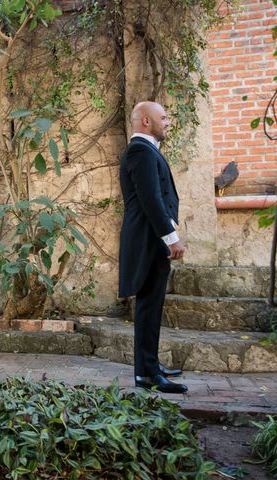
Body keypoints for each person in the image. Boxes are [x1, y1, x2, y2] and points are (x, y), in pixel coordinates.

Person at [118, 101, 188, 394]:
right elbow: (151, 200)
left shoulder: (147, 151)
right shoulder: (139, 151)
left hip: (151, 239)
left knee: (152, 306)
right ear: (146, 121)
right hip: (148, 240)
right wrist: (171, 237)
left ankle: (150, 366)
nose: (168, 121)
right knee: (148, 307)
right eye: (163, 117)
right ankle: (146, 375)